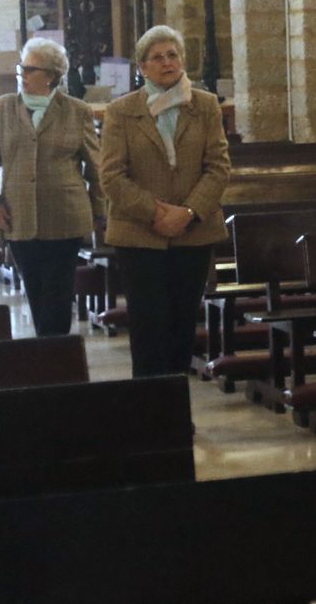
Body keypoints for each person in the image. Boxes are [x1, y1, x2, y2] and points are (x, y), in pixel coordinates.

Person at [99, 25, 230, 378]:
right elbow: (111, 175)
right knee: (148, 330)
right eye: (157, 57)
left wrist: (187, 212)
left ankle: (176, 414)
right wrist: (156, 213)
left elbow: (218, 167)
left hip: (192, 234)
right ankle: (149, 415)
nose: (167, 63)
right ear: (142, 67)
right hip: (139, 234)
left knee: (181, 329)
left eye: (173, 55)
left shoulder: (204, 106)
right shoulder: (122, 111)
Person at [0, 37, 105, 337]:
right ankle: (53, 356)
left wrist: (98, 213)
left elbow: (97, 168)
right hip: (19, 219)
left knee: (58, 297)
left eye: (30, 69)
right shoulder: (1, 110)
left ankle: (54, 359)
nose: (22, 74)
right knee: (36, 293)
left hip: (66, 218)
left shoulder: (76, 111)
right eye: (21, 68)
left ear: (52, 75)